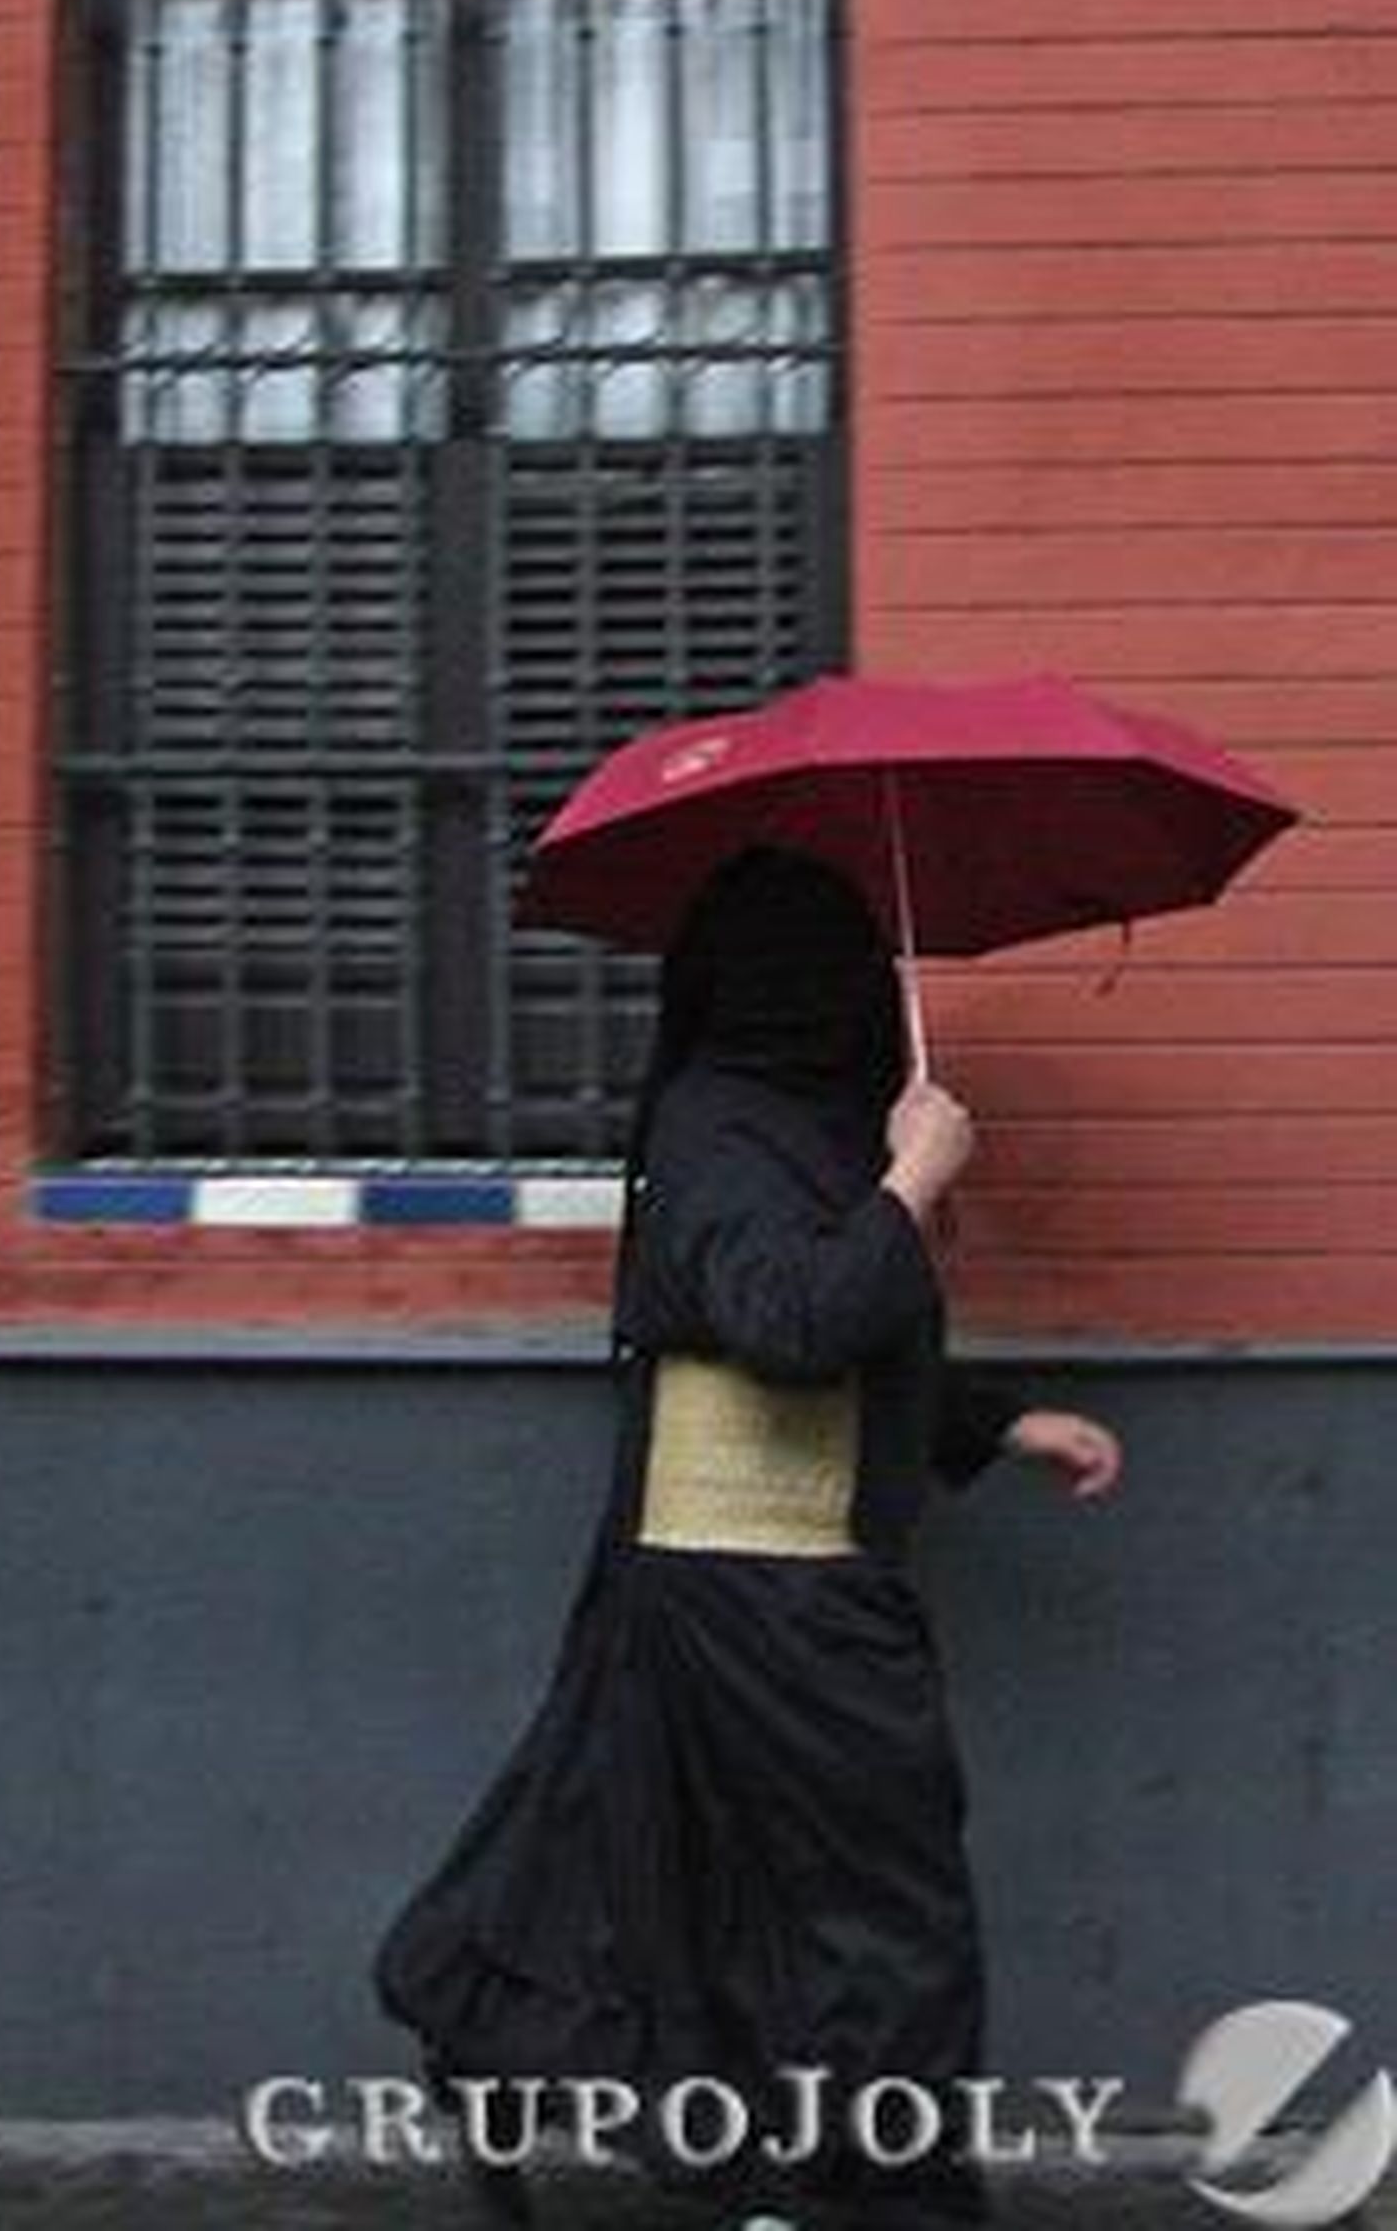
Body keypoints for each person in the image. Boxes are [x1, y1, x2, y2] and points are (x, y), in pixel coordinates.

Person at [375, 845, 1122, 2228]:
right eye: (840, 961)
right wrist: (912, 1180)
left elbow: (847, 1336)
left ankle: (748, 2161)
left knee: (728, 1899)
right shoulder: (722, 1128)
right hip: (763, 1594)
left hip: (771, 1584)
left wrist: (1003, 1422)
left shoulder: (799, 1122)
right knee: (892, 1914)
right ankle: (875, 2199)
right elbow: (789, 1326)